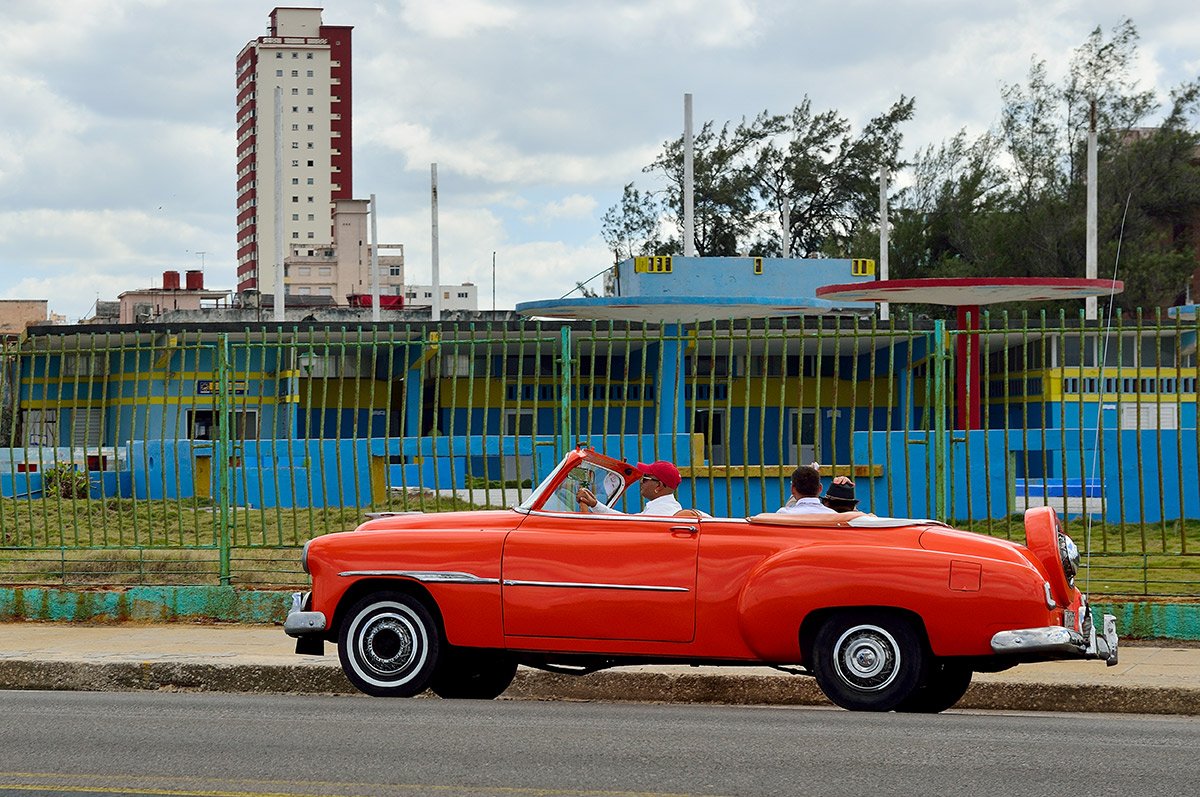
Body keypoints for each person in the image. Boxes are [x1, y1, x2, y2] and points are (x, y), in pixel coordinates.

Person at [577, 460, 683, 516]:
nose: (641, 481)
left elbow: (629, 524)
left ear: (658, 486)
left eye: (645, 478)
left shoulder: (662, 510)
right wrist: (595, 505)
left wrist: (595, 505)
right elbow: (629, 520)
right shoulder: (662, 506)